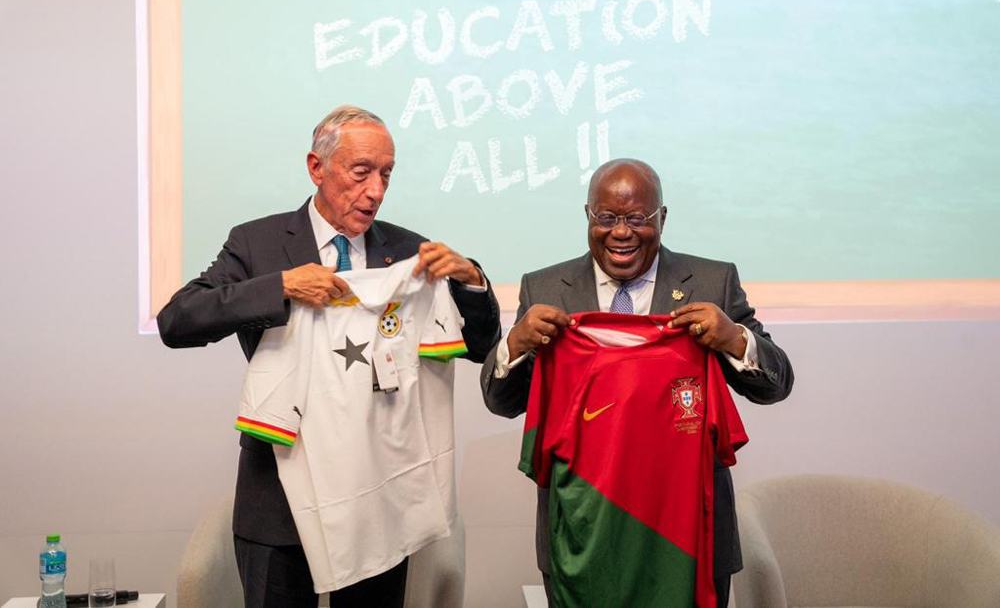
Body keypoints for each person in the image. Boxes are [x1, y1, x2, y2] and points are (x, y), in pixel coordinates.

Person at [158, 105, 500, 608]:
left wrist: (472, 283)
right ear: (317, 168)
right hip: (278, 501)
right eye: (361, 172)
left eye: (387, 174)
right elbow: (178, 321)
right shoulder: (258, 242)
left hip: (377, 495)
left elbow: (478, 347)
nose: (376, 191)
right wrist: (280, 285)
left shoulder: (410, 252)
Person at [480, 158, 793, 606]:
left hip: (687, 537)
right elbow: (500, 402)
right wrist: (514, 345)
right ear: (588, 217)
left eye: (636, 218)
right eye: (606, 218)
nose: (620, 232)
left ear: (661, 218)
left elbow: (776, 385)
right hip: (583, 534)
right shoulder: (545, 288)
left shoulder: (711, 282)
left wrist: (734, 338)